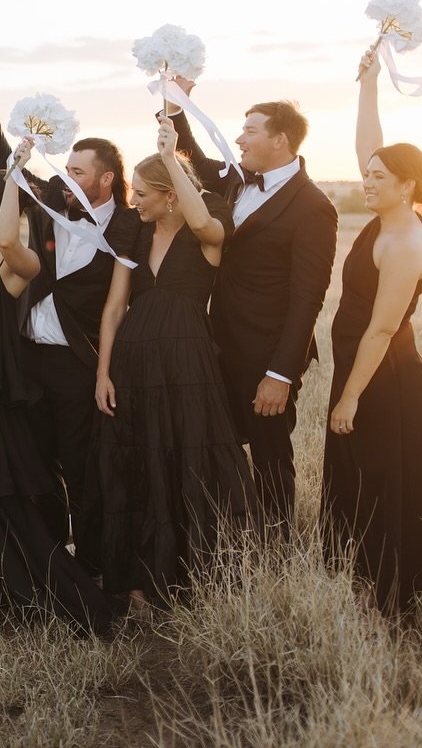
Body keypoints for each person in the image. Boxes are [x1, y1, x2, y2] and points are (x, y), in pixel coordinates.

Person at [0, 159, 123, 633]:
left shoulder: (24, 262)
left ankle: (19, 584)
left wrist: (14, 175)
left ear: (0, 205)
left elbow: (9, 238)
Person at [321, 51, 422, 614]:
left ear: (406, 187)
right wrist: (368, 83)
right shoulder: (389, 216)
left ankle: (403, 583)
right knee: (358, 471)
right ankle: (358, 571)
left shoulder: (405, 241)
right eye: (366, 173)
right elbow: (371, 143)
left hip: (384, 375)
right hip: (361, 366)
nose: (366, 180)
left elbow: (382, 329)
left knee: (386, 475)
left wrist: (350, 397)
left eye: (378, 177)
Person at [93, 119, 256, 606]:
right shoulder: (134, 234)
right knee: (141, 463)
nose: (134, 201)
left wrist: (169, 156)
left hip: (188, 363)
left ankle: (198, 575)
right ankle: (141, 578)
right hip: (133, 362)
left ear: (170, 195)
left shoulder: (209, 229)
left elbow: (203, 221)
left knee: (190, 458)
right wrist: (102, 372)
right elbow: (114, 308)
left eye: (143, 194)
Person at [0, 74, 128, 567]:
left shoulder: (127, 225)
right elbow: (4, 167)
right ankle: (50, 556)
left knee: (83, 466)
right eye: (68, 168)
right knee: (36, 464)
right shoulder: (51, 203)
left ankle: (94, 561)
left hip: (79, 363)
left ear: (105, 180)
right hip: (27, 355)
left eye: (79, 172)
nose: (67, 178)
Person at [169, 86, 338, 538]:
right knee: (214, 443)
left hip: (267, 353)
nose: (239, 139)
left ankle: (276, 546)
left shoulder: (314, 207)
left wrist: (280, 374)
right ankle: (221, 532)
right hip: (216, 344)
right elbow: (194, 160)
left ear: (280, 139)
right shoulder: (236, 179)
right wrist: (174, 106)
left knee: (269, 455)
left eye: (249, 131)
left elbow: (309, 297)